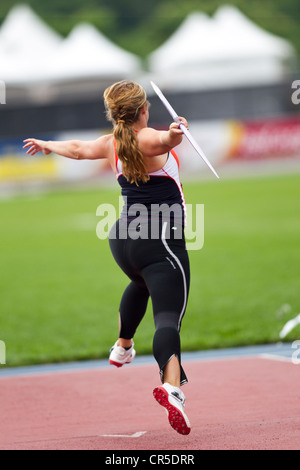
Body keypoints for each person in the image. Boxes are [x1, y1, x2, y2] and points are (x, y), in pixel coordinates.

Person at [23, 80, 191, 435]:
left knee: (140, 281)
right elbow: (164, 141)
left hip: (123, 239)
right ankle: (172, 388)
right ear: (143, 110)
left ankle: (123, 345)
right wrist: (176, 131)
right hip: (158, 239)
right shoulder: (147, 138)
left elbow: (77, 148)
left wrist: (47, 145)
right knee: (167, 320)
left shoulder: (110, 143)